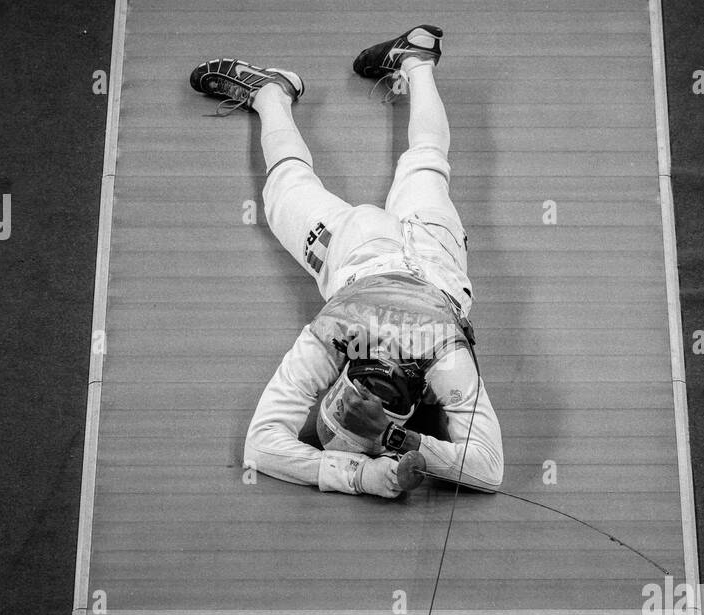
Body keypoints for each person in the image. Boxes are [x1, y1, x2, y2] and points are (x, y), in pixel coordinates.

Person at [190, 25, 503, 499]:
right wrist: (361, 470)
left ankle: (417, 62)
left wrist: (391, 447)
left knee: (427, 161)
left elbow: (486, 468)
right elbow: (264, 445)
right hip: (359, 249)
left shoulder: (445, 359)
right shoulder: (334, 337)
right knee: (286, 191)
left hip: (436, 254)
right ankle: (272, 93)